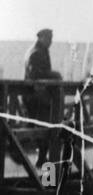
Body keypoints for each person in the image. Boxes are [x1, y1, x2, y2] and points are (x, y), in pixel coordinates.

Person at [24, 28, 63, 165]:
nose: (51, 42)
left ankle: (43, 167)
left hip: (39, 97)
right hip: (37, 98)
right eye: (49, 39)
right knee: (47, 131)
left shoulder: (40, 51)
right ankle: (46, 176)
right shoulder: (36, 53)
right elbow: (35, 74)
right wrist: (54, 75)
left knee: (46, 131)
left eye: (51, 39)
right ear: (41, 38)